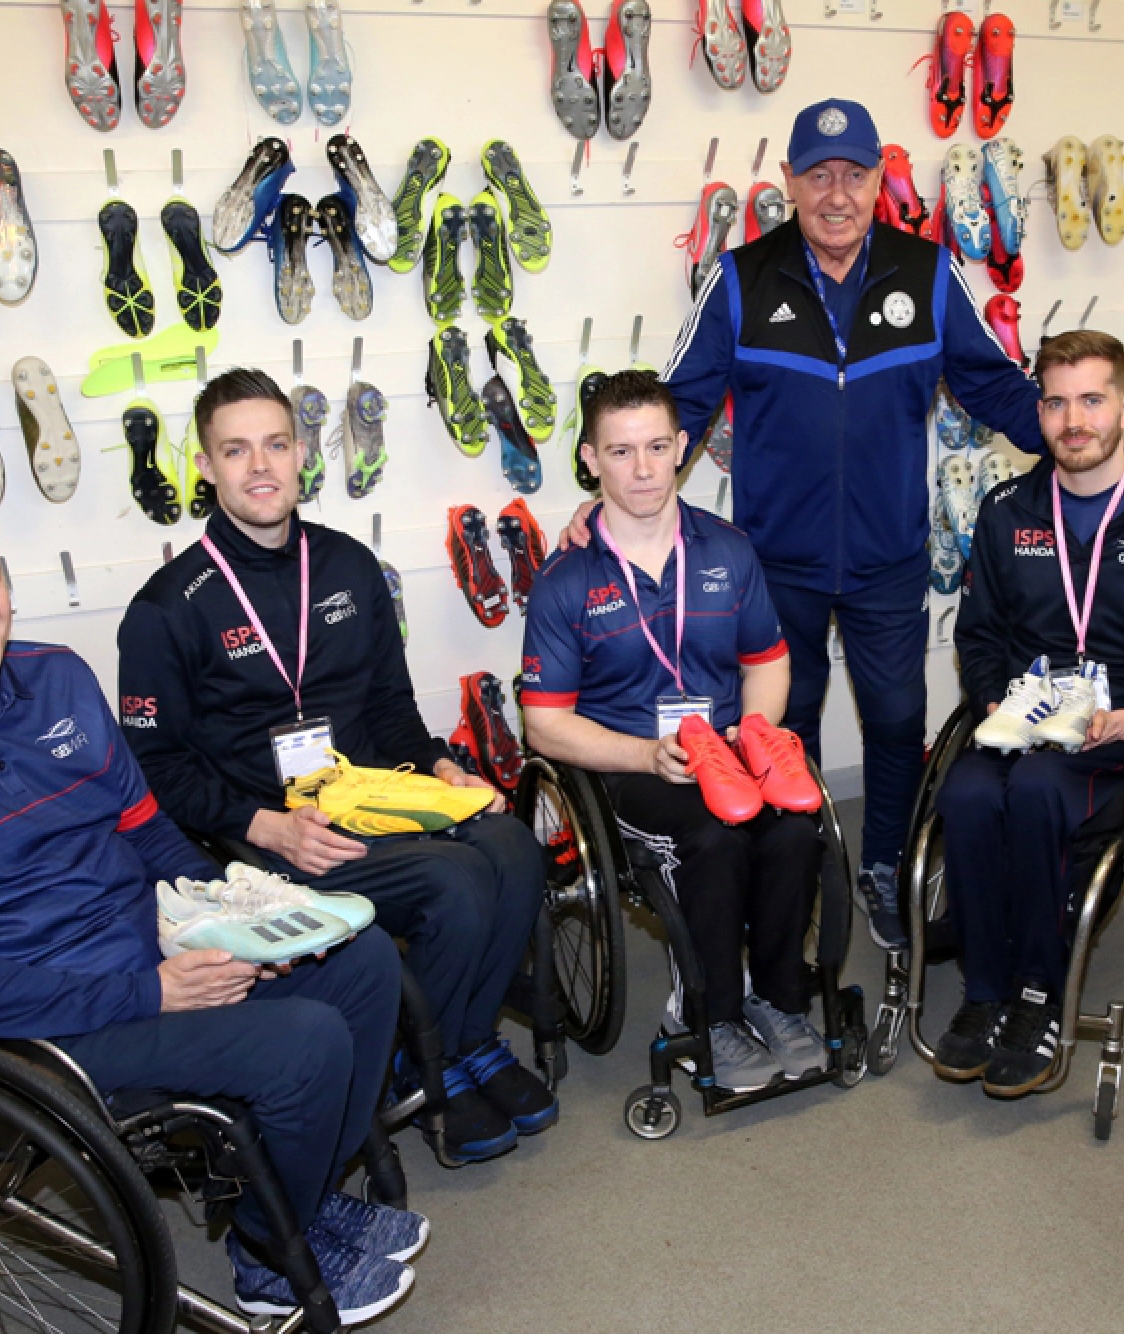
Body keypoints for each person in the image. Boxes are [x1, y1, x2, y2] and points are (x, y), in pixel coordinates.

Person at [0, 485, 421, 1324]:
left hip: (150, 952)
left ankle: (292, 1201)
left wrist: (233, 916)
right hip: (34, 1022)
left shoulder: (58, 675)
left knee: (363, 961)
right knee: (303, 1041)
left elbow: (150, 834)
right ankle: (270, 1257)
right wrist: (153, 992)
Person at [562, 97, 1046, 952]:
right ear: (789, 181)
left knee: (896, 719)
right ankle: (805, 869)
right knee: (785, 728)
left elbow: (995, 384)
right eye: (818, 175)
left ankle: (884, 865)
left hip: (890, 558)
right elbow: (680, 406)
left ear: (878, 179)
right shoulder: (740, 278)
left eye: (854, 174)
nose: (837, 194)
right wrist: (610, 490)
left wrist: (1083, 445)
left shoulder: (930, 273)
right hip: (773, 563)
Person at [116, 368, 554, 1164]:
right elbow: (155, 767)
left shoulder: (348, 565)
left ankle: (460, 1044)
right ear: (206, 467)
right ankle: (420, 1065)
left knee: (512, 845)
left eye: (276, 444)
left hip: (374, 795)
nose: (260, 467)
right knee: (456, 882)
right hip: (272, 835)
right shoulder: (165, 607)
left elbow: (389, 706)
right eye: (236, 450)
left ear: (301, 453)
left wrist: (438, 767)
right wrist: (266, 828)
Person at [929, 331, 1124, 1098]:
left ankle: (1039, 993)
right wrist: (995, 698)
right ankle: (985, 990)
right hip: (1026, 713)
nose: (1074, 421)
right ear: (1038, 413)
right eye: (1056, 403)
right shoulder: (1007, 511)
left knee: (1040, 791)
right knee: (964, 792)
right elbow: (979, 637)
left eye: (1092, 400)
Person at [521, 372, 827, 1093]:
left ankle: (778, 1001)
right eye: (621, 451)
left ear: (683, 446)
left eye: (658, 447)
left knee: (795, 827)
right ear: (591, 458)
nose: (644, 469)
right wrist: (646, 757)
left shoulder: (728, 548)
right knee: (714, 839)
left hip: (727, 751)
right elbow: (545, 725)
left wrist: (755, 731)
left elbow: (767, 663)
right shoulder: (565, 580)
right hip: (630, 767)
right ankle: (707, 1016)